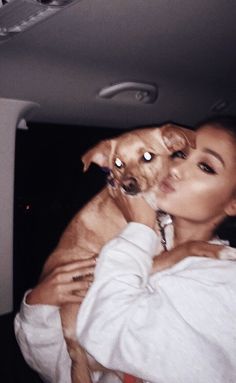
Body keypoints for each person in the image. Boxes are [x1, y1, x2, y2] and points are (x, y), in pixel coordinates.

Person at [14, 116, 236, 383]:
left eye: (206, 166)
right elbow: (59, 370)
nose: (175, 169)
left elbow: (106, 335)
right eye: (180, 154)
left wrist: (141, 227)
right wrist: (39, 306)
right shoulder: (135, 241)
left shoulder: (226, 283)